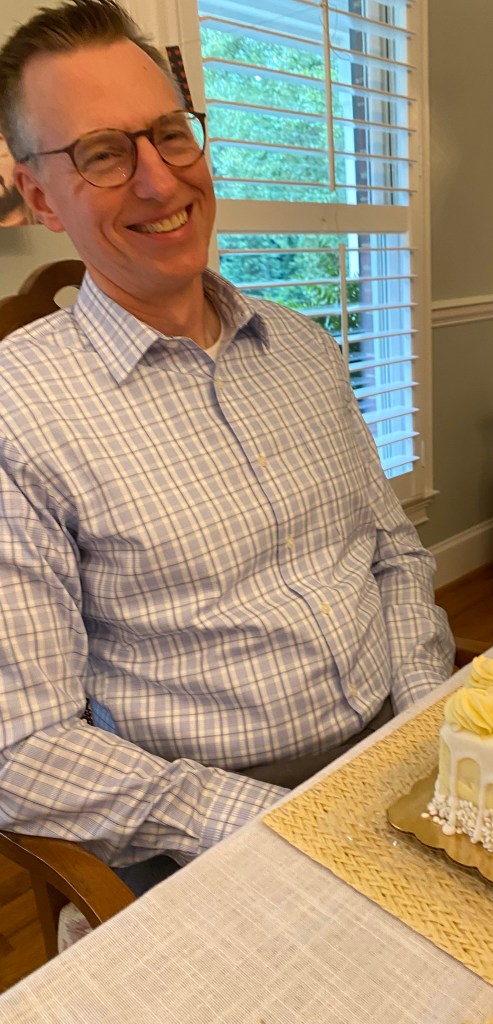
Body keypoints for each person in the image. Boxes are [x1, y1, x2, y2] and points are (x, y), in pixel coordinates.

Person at [0, 0, 453, 888]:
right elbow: (24, 747)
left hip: (394, 752)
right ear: (39, 195)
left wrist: (419, 718)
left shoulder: (305, 348)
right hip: (208, 830)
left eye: (171, 134)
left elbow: (392, 554)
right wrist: (280, 821)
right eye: (101, 153)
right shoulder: (17, 416)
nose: (161, 183)